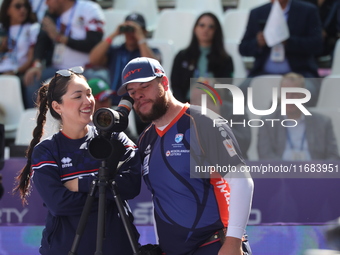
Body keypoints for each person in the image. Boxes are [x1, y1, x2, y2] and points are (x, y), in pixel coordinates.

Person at [118, 57, 254, 255]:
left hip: (216, 246)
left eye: (145, 87)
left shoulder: (203, 121)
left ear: (164, 82)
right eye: (132, 93)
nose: (139, 96)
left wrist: (233, 242)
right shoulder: (145, 139)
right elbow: (161, 199)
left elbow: (242, 181)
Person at [13, 66, 141, 255]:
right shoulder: (46, 151)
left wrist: (80, 184)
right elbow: (59, 204)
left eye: (89, 94)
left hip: (118, 246)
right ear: (57, 106)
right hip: (66, 248)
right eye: (78, 96)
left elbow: (132, 186)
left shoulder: (116, 138)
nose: (88, 101)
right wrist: (109, 192)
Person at [239, 0, 323, 106]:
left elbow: (317, 45)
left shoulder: (307, 11)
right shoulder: (257, 12)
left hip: (300, 73)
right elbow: (243, 48)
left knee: (308, 92)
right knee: (238, 93)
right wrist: (258, 42)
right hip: (263, 73)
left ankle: (300, 122)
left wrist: (287, 41)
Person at [23, 0, 104, 108]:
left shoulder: (89, 9)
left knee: (99, 80)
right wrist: (36, 65)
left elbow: (94, 43)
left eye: (48, 0)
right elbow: (42, 38)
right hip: (58, 69)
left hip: (86, 69)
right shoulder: (51, 12)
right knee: (33, 78)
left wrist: (60, 38)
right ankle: (36, 120)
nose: (46, 3)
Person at [257, 72, 340, 160]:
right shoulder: (268, 122)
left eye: (294, 94)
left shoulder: (323, 122)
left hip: (314, 171)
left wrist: (320, 169)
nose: (289, 98)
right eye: (286, 94)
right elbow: (265, 156)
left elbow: (333, 157)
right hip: (280, 172)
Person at [89, 12, 160, 106]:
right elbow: (93, 59)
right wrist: (114, 34)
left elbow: (152, 67)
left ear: (144, 31)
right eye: (128, 30)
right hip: (113, 102)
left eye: (135, 30)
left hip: (138, 104)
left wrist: (141, 38)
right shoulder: (116, 51)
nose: (131, 33)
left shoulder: (151, 51)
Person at [170, 12, 234, 104]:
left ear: (216, 31)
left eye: (211, 27)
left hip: (214, 104)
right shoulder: (182, 56)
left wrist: (214, 84)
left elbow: (227, 88)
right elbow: (176, 86)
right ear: (195, 28)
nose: (206, 30)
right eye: (202, 25)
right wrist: (184, 107)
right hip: (186, 104)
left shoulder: (225, 60)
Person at [190, 78, 251, 159]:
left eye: (200, 100)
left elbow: (243, 145)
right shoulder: (190, 118)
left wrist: (216, 119)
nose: (194, 105)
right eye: (192, 101)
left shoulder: (236, 112)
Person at [0, 0, 39, 75]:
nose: (23, 9)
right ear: (7, 10)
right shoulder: (2, 29)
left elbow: (31, 59)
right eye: (18, 6)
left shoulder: (33, 28)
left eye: (26, 6)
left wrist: (15, 72)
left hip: (18, 73)